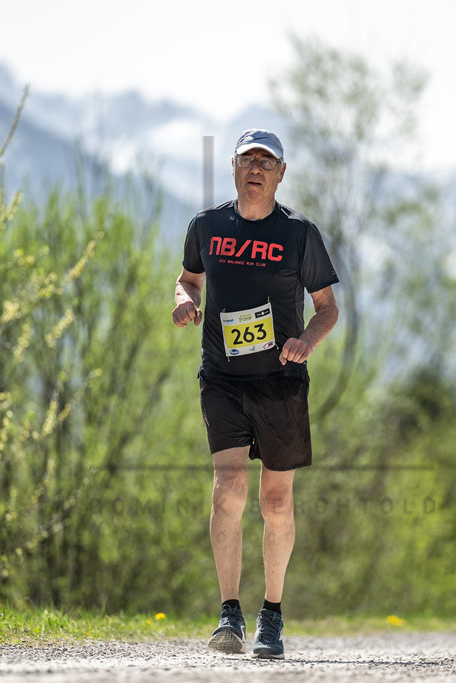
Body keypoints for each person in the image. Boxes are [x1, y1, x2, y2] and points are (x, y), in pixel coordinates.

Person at [172, 129, 339, 659]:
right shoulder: (207, 225)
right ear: (234, 166)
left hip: (280, 381)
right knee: (227, 488)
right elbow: (188, 280)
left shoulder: (299, 233)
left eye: (267, 162)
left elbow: (328, 308)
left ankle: (272, 614)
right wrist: (183, 301)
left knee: (275, 499)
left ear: (281, 174)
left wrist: (306, 340)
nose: (257, 169)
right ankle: (229, 613)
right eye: (249, 159)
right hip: (221, 376)